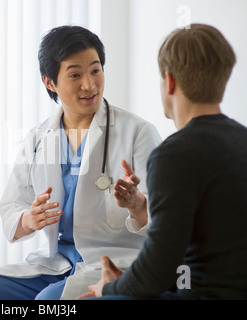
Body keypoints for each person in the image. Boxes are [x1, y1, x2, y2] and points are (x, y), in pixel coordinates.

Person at [0, 25, 161, 300]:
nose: (89, 85)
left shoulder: (137, 132)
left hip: (114, 263)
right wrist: (30, 219)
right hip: (57, 264)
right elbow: (11, 207)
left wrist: (138, 205)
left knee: (48, 302)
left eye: (95, 70)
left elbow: (166, 218)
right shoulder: (38, 138)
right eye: (75, 75)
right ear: (50, 82)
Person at [80, 23, 247, 300]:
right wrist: (132, 281)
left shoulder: (174, 156)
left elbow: (158, 269)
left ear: (169, 82)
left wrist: (107, 288)